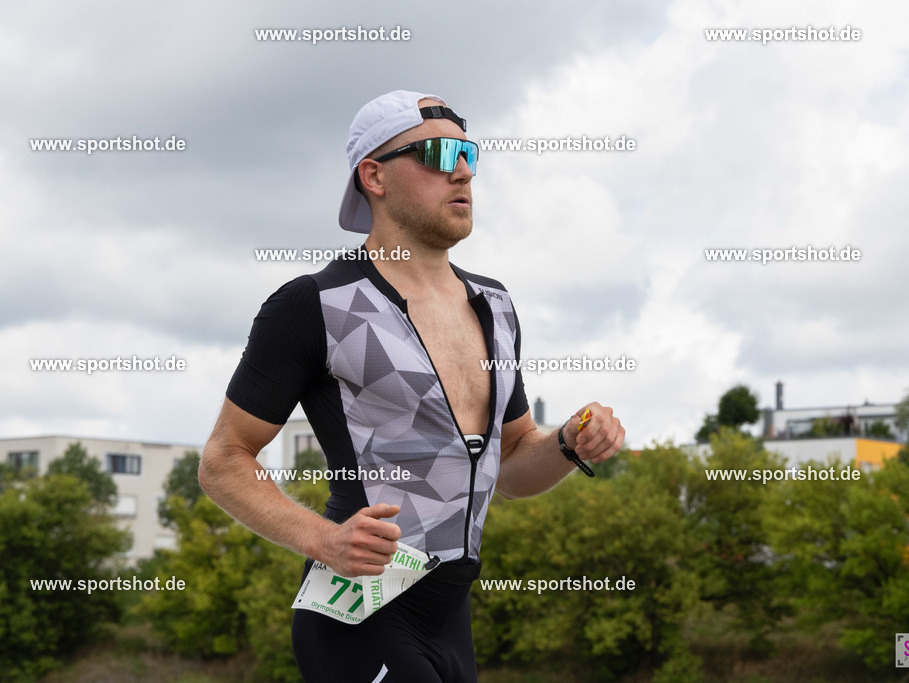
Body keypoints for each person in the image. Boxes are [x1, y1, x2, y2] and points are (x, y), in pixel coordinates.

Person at [198, 90, 626, 682]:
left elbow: (512, 465)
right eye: (437, 152)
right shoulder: (314, 305)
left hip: (451, 624)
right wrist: (324, 541)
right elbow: (223, 462)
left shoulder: (495, 305)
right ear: (373, 175)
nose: (463, 170)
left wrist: (568, 443)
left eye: (469, 153)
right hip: (358, 617)